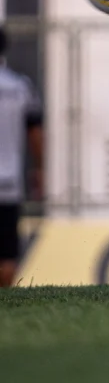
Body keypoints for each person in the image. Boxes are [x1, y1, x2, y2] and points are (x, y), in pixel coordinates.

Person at [0, 27, 43, 288]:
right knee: (6, 258)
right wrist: (39, 168)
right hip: (7, 183)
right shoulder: (19, 87)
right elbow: (36, 133)